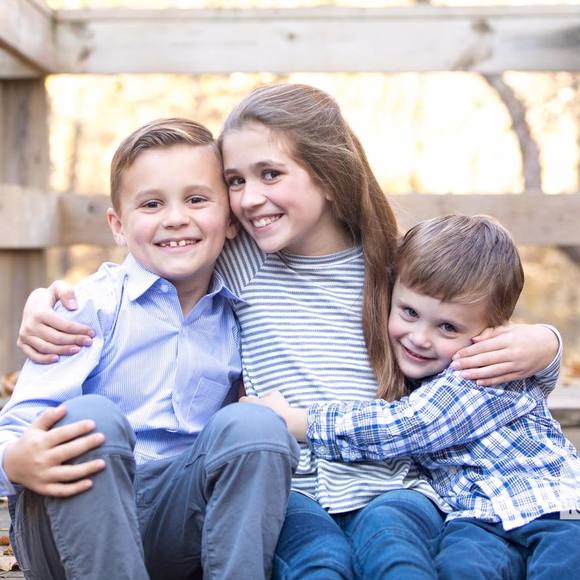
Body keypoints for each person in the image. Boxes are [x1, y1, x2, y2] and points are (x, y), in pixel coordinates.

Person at [16, 85, 560, 579]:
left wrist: (545, 344)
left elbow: (463, 313)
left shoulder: (391, 270)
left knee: (385, 545)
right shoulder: (240, 264)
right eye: (236, 181)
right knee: (314, 558)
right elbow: (161, 250)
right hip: (263, 489)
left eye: (269, 175)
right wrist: (53, 301)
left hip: (375, 485)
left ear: (329, 174)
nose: (249, 197)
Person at [0, 118, 299, 580]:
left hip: (175, 524)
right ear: (118, 226)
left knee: (256, 425)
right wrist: (13, 461)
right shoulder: (85, 308)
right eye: (152, 204)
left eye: (196, 200)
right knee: (91, 418)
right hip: (69, 527)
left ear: (230, 220)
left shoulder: (240, 312)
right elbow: (17, 425)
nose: (175, 217)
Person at [246, 215, 580, 579]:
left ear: (493, 331)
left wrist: (300, 422)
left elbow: (407, 426)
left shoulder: (481, 373)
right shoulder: (423, 376)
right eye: (409, 312)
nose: (420, 338)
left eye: (447, 327)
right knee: (458, 569)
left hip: (553, 507)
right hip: (476, 518)